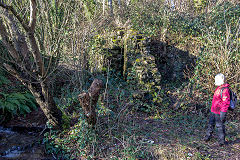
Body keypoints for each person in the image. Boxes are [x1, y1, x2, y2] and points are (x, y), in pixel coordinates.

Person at [204, 73, 230, 146]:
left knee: (220, 126)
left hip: (219, 112)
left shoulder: (225, 90)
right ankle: (207, 137)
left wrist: (223, 112)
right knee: (210, 124)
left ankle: (221, 142)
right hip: (213, 110)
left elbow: (226, 103)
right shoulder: (219, 88)